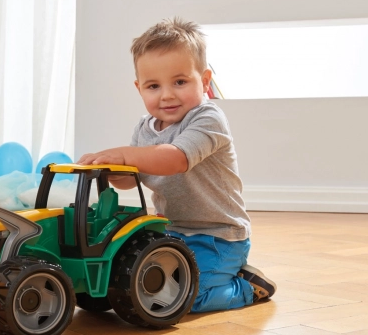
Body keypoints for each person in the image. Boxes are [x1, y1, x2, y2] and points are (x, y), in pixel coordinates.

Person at [77, 17, 276, 312]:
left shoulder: (208, 119)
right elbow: (133, 177)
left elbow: (174, 159)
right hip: (168, 231)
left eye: (180, 82)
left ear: (205, 81)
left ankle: (246, 286)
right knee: (134, 286)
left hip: (217, 236)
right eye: (153, 86)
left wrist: (123, 154)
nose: (167, 95)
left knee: (185, 298)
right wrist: (114, 170)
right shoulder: (145, 128)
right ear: (139, 88)